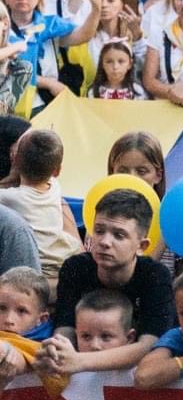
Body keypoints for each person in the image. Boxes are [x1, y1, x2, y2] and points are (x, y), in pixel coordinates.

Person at [37, 188, 171, 376]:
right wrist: (58, 352)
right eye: (99, 231)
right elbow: (65, 327)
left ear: (142, 246)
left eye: (119, 235)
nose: (104, 242)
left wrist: (80, 361)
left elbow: (149, 345)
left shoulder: (155, 275)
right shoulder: (75, 267)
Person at [1, 127, 76, 280]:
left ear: (14, 161)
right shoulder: (55, 186)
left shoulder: (9, 197)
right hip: (61, 256)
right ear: (57, 171)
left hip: (39, 263)